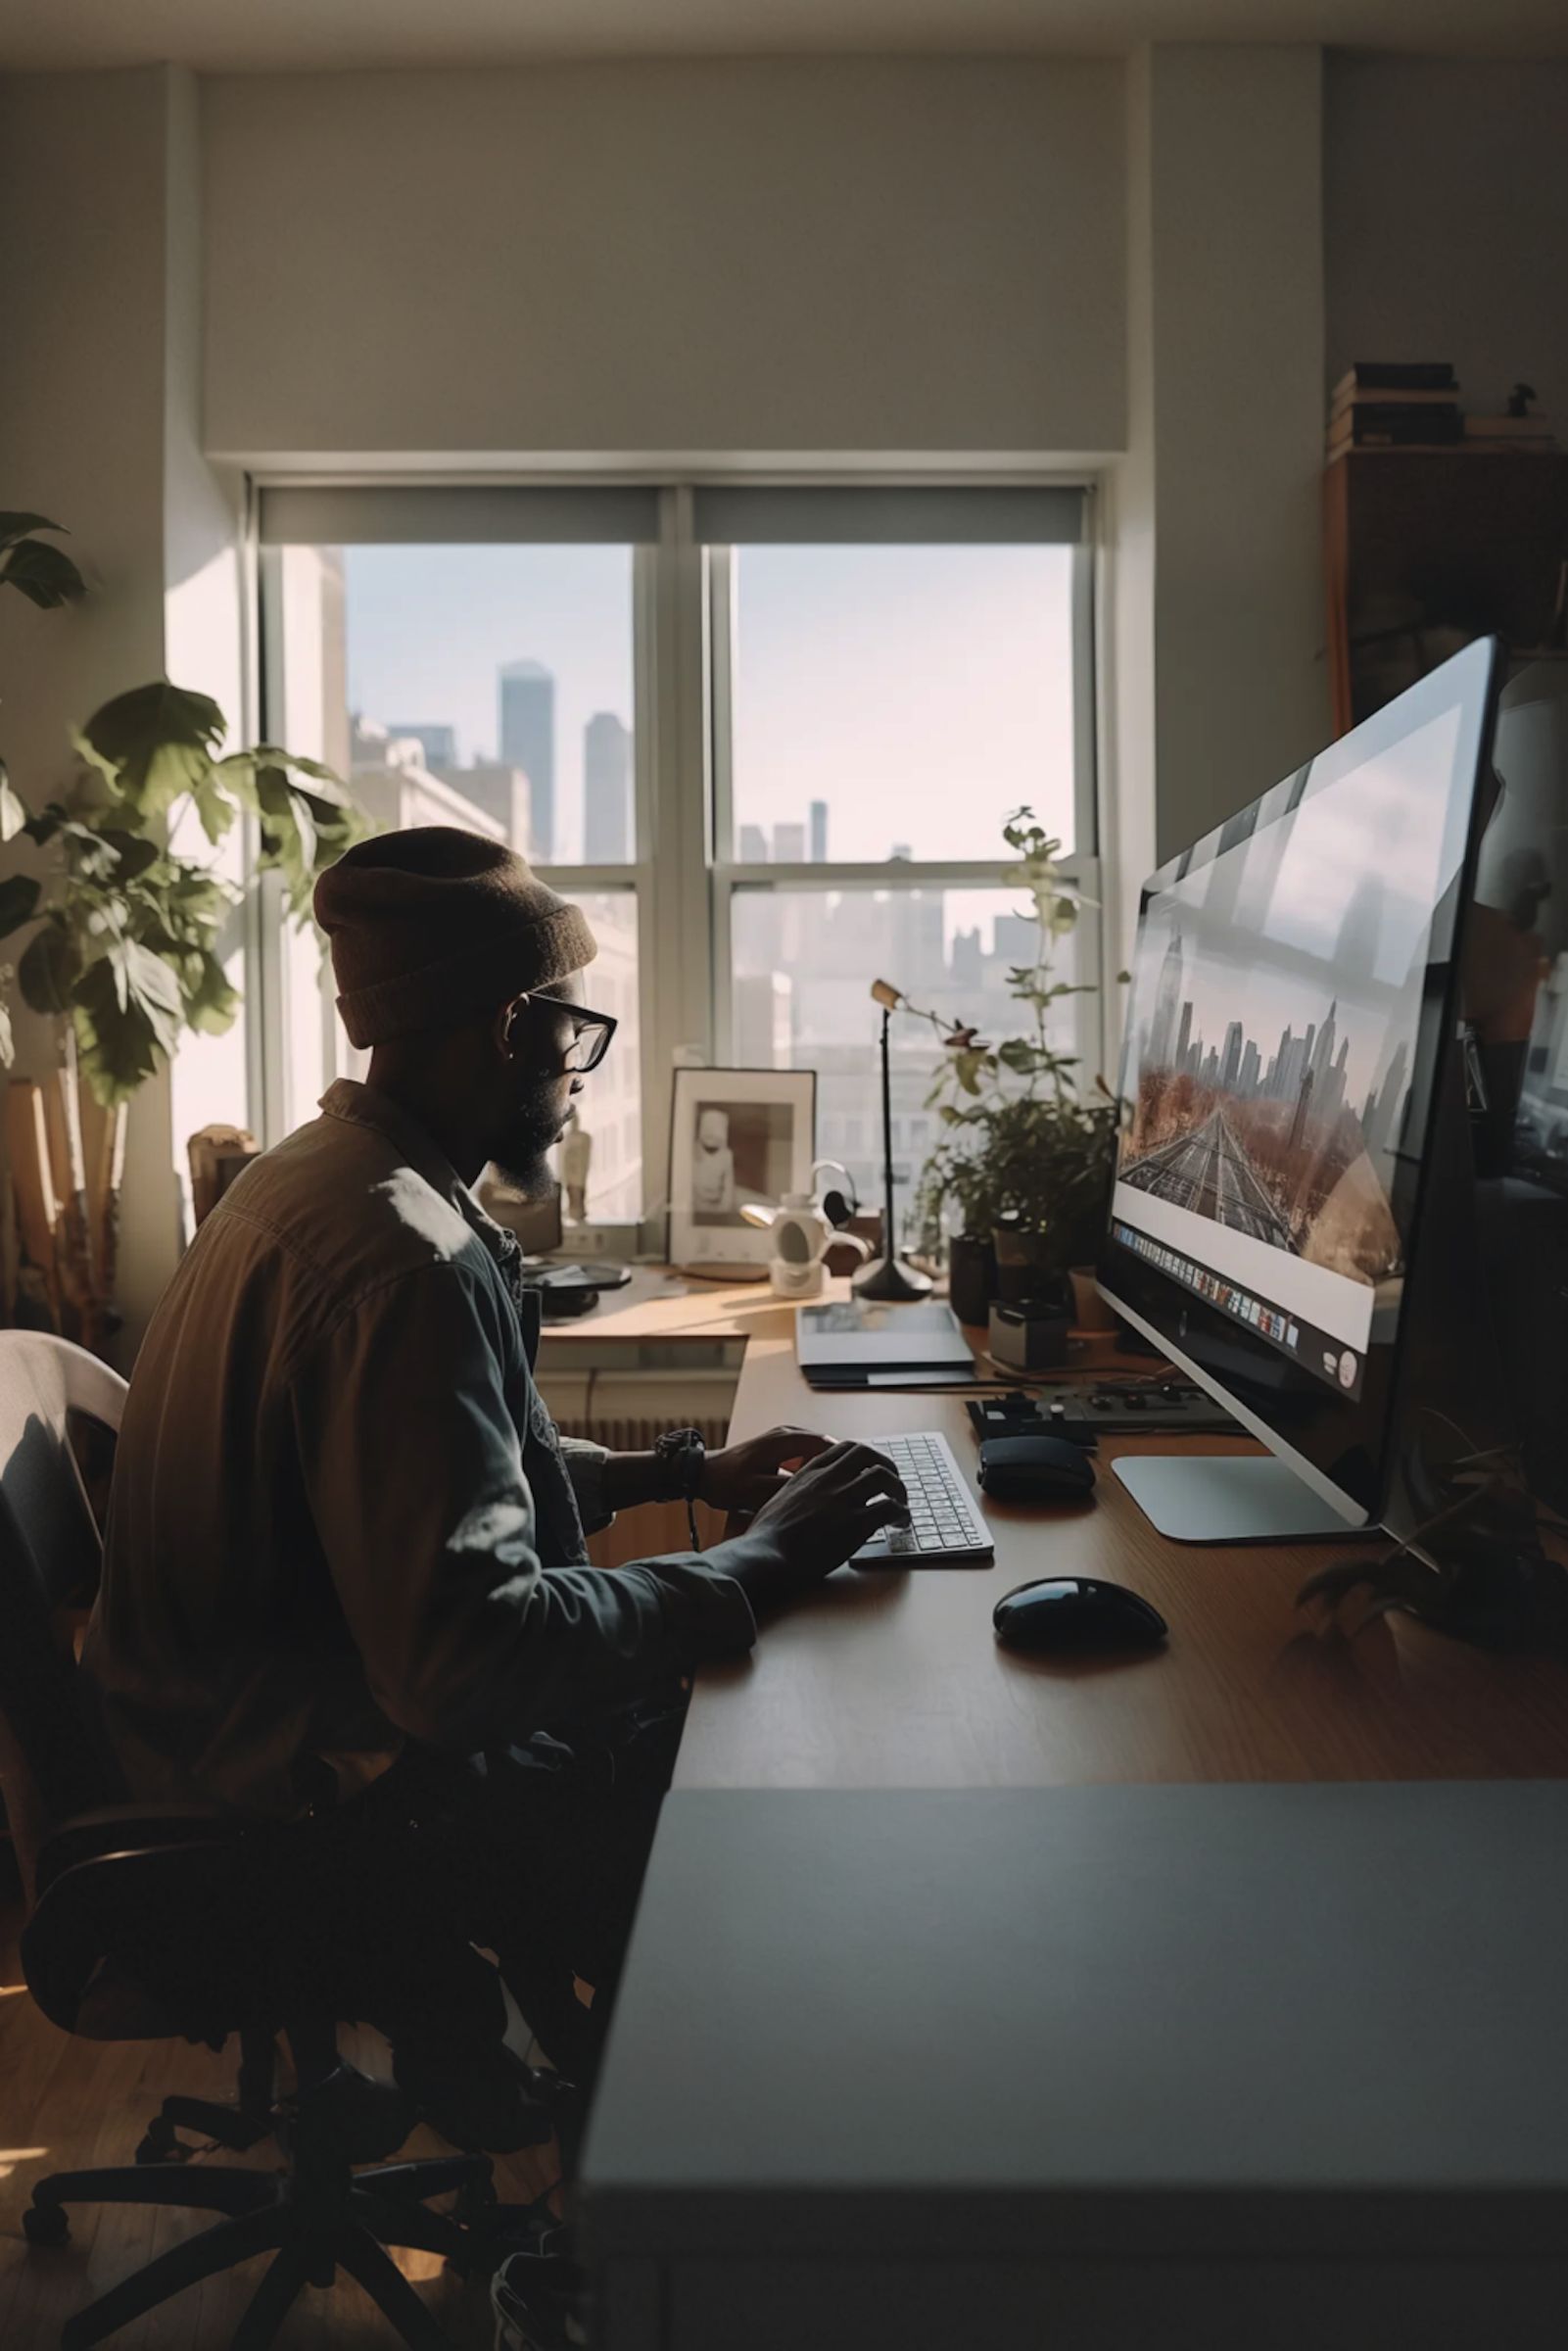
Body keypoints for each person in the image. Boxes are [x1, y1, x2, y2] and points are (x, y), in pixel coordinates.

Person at [82, 827, 907, 2148]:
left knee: (718, 1722)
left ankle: (561, 2106)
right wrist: (762, 1564)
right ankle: (689, 2213)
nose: (580, 1079)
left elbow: (431, 1489)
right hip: (315, 1806)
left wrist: (689, 1472)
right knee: (770, 1838)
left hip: (228, 1737)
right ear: (515, 1027)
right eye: (575, 1038)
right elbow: (466, 1660)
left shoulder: (313, 1182)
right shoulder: (404, 1260)